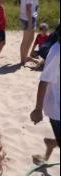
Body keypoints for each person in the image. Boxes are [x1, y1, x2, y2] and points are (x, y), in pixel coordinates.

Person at [30, 32, 60, 163]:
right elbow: (44, 81)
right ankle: (54, 143)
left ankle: (53, 143)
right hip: (57, 107)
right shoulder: (57, 52)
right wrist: (38, 109)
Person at [20, 0, 39, 65]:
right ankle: (23, 60)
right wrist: (30, 23)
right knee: (26, 40)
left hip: (31, 18)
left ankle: (25, 57)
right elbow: (28, 8)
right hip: (28, 19)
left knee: (31, 39)